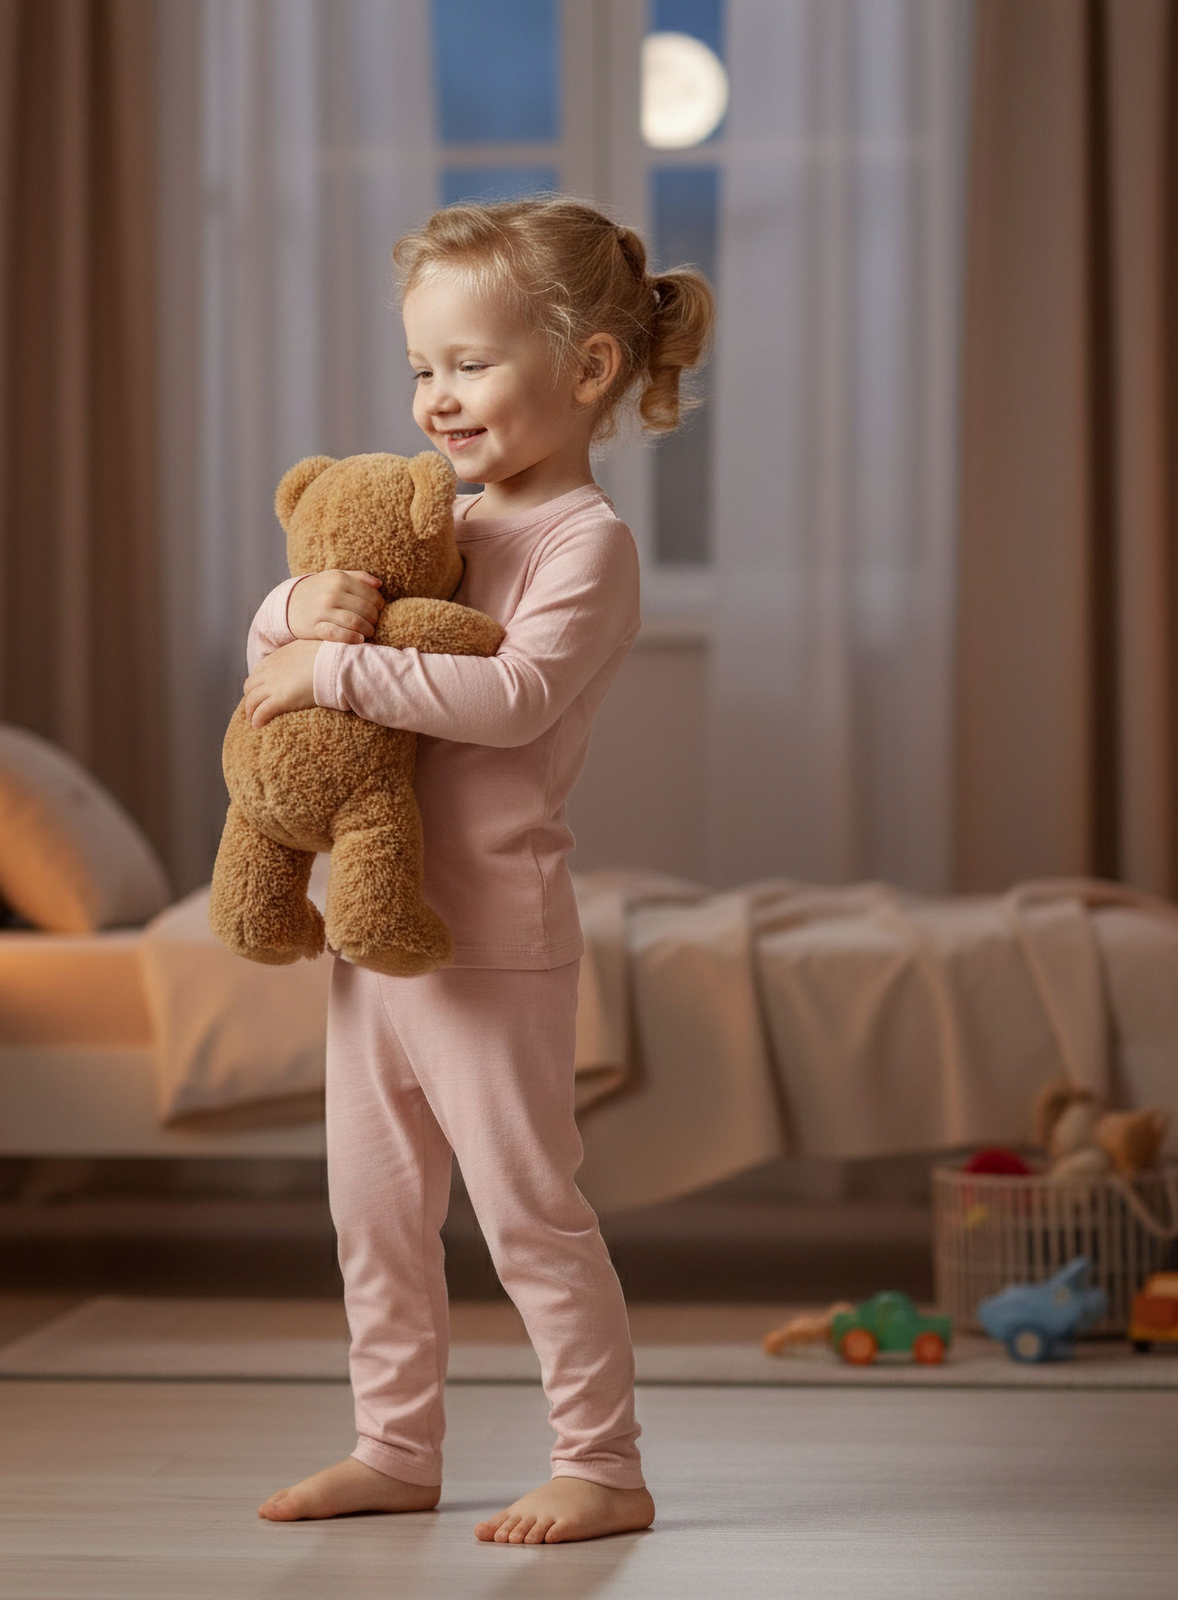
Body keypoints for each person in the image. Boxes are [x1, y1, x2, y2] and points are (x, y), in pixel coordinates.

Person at [242, 195, 713, 1545]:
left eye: (469, 365)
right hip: (362, 925)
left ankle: (603, 1462)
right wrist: (296, 613)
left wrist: (326, 659)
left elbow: (510, 699)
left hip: (489, 935)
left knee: (526, 1210)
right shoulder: (420, 519)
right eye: (421, 370)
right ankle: (394, 1444)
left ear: (587, 369)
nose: (436, 400)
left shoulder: (584, 544)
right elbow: (281, 640)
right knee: (373, 1213)